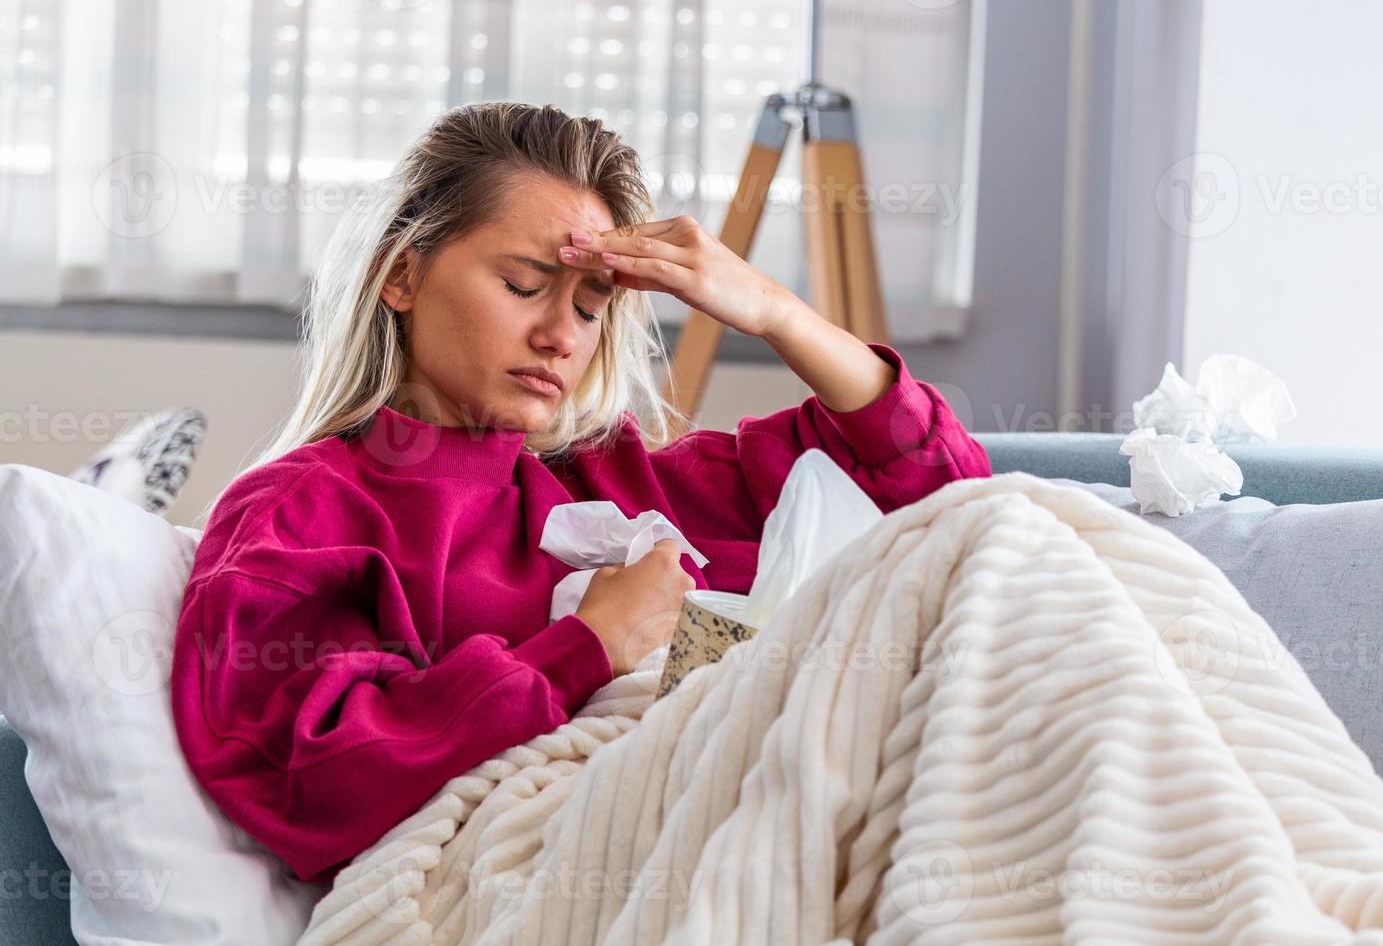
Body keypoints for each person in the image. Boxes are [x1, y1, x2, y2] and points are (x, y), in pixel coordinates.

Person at [170, 101, 992, 886]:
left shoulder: (611, 476)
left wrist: (778, 314)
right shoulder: (302, 512)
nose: (561, 336)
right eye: (525, 287)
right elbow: (309, 777)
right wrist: (589, 643)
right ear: (401, 275)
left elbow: (947, 502)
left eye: (592, 307)